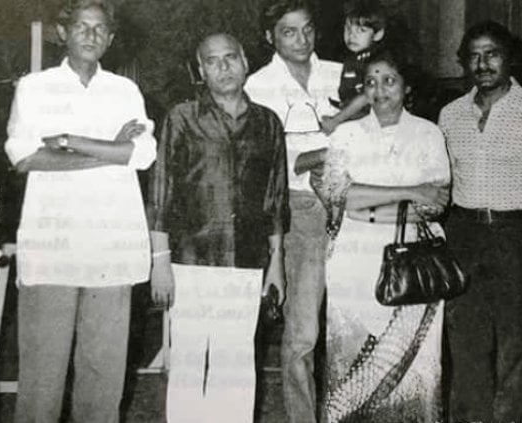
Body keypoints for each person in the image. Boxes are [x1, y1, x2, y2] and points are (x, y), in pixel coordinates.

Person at [3, 0, 156, 421]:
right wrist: (111, 150)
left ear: (110, 38)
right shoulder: (34, 87)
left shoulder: (125, 91)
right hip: (54, 248)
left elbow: (142, 153)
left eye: (99, 28)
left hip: (111, 249)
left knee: (103, 380)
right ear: (62, 32)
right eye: (82, 27)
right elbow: (24, 157)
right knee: (41, 380)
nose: (90, 35)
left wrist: (70, 140)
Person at [148, 33, 289, 423]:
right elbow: (161, 195)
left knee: (237, 366)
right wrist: (160, 261)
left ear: (245, 63)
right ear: (201, 71)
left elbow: (275, 200)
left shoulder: (267, 123)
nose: (223, 66)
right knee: (188, 363)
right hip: (191, 261)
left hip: (245, 262)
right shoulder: (180, 118)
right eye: (213, 61)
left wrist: (276, 263)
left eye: (231, 57)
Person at [437, 20, 522, 423]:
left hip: (518, 234)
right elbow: (445, 176)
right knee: (465, 341)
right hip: (463, 233)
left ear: (509, 58)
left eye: (492, 53)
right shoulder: (450, 114)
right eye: (474, 55)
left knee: (514, 345)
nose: (483, 62)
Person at [318, 47, 450, 422]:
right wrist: (408, 191)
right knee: (351, 357)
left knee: (415, 366)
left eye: (389, 80)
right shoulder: (347, 134)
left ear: (407, 87)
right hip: (353, 256)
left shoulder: (428, 133)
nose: (379, 90)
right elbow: (340, 197)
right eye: (370, 83)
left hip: (414, 260)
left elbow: (436, 204)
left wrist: (369, 196)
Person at [244, 2, 341, 421]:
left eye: (307, 30)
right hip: (300, 212)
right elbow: (261, 164)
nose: (301, 41)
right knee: (303, 332)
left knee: (351, 324)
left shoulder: (341, 75)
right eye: (289, 32)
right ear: (270, 37)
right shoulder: (255, 87)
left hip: (353, 207)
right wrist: (318, 153)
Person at [319, 0, 387, 134]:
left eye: (361, 30)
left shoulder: (378, 60)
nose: (352, 35)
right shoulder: (351, 58)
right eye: (348, 29)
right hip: (353, 116)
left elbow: (366, 96)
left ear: (378, 34)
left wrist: (336, 120)